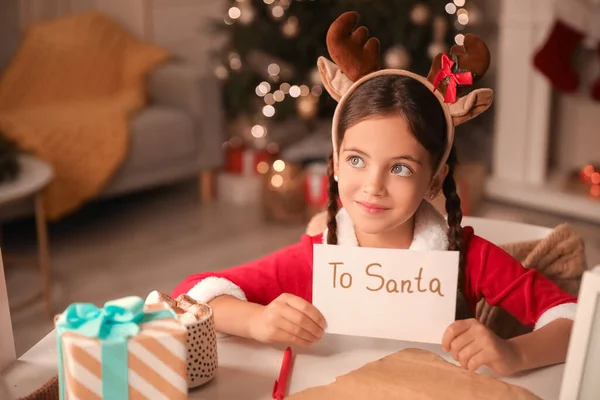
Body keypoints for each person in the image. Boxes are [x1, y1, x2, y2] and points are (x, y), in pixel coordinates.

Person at [172, 12, 577, 377]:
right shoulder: (318, 259)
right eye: (356, 160)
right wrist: (256, 321)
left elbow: (575, 319)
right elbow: (191, 293)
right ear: (334, 163)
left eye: (400, 168)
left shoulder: (466, 258)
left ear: (435, 181)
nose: (373, 185)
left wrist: (514, 353)